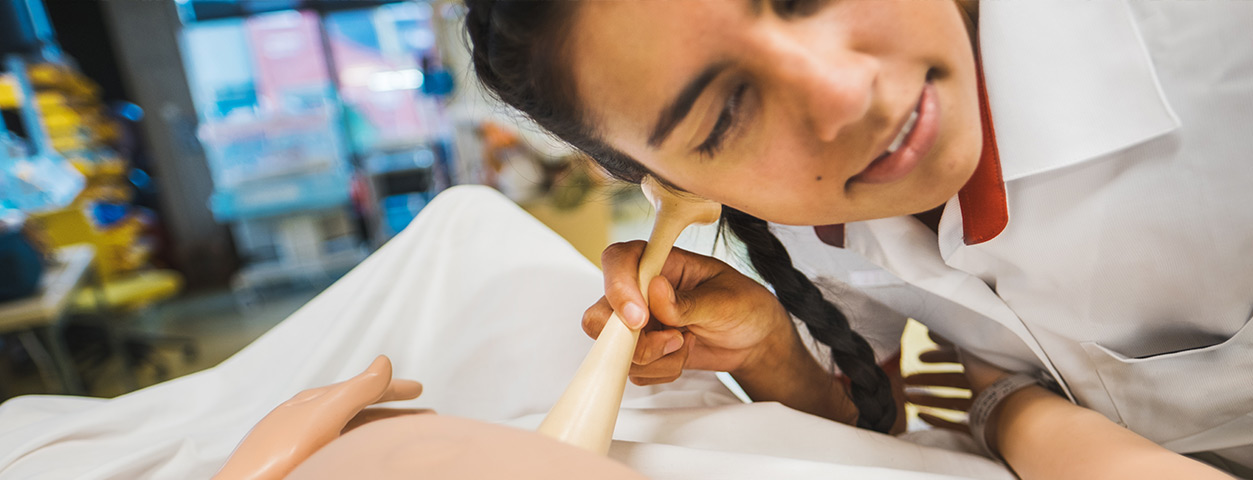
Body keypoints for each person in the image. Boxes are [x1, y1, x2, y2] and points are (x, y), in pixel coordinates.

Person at [462, 0, 1252, 478]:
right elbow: (878, 435)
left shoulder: (1217, 57)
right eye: (727, 115)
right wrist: (770, 351)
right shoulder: (815, 230)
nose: (843, 91)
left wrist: (1004, 406)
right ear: (679, 190)